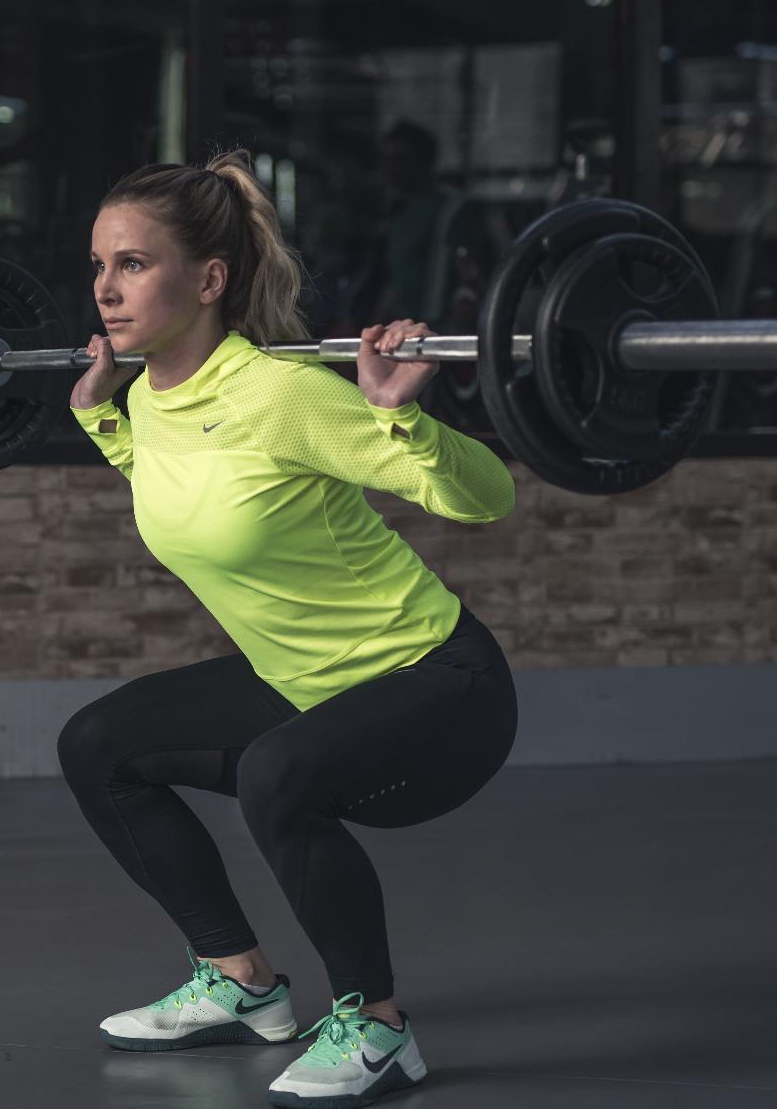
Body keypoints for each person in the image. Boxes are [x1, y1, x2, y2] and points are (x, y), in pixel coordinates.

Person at [58, 149, 519, 1108]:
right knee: (98, 745)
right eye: (99, 266)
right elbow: (188, 495)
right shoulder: (148, 399)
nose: (105, 289)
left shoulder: (284, 396)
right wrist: (103, 424)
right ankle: (240, 981)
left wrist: (403, 419)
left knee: (277, 770)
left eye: (133, 264)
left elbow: (486, 499)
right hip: (305, 680)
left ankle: (380, 1029)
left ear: (210, 279)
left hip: (437, 685)